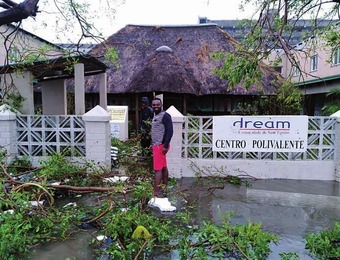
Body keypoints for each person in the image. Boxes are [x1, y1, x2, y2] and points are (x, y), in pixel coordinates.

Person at [151, 98, 173, 197]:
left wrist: (165, 145)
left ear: (161, 105)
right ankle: (165, 189)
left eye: (157, 105)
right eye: (154, 105)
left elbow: (170, 131)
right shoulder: (156, 116)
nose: (156, 106)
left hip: (161, 146)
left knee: (157, 169)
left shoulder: (165, 116)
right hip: (157, 145)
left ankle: (156, 192)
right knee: (163, 167)